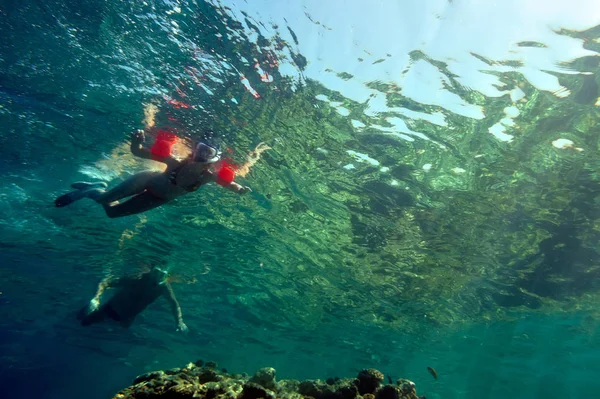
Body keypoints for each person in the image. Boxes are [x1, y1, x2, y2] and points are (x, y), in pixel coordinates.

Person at [54, 130, 252, 218]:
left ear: (213, 158)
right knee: (102, 200)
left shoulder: (208, 176)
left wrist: (240, 189)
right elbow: (138, 152)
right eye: (200, 148)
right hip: (147, 180)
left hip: (160, 198)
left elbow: (229, 184)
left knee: (113, 213)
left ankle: (95, 187)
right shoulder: (175, 162)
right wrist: (135, 141)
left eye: (206, 152)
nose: (200, 154)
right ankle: (90, 191)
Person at [78, 267, 188, 332]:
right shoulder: (136, 278)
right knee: (83, 324)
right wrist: (96, 298)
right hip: (109, 310)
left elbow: (174, 303)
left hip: (127, 318)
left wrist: (179, 321)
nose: (158, 278)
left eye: (162, 276)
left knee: (115, 339)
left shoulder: (164, 287)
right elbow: (106, 282)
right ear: (151, 270)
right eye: (156, 273)